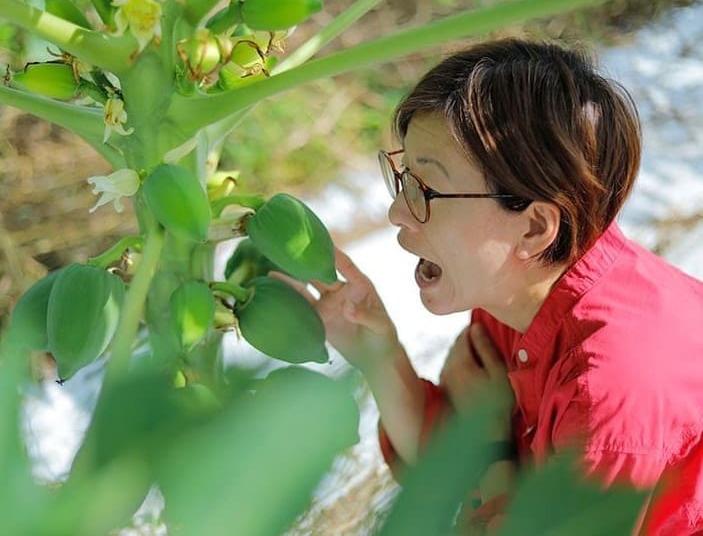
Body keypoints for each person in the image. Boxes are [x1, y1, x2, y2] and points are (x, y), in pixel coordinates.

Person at [273, 38, 703, 535]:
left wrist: (494, 454)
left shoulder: (610, 394)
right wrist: (379, 353)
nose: (396, 212)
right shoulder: (522, 289)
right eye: (404, 178)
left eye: (426, 190)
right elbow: (451, 462)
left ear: (534, 228)